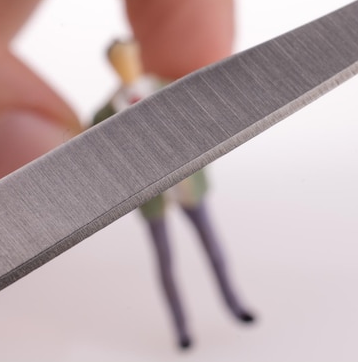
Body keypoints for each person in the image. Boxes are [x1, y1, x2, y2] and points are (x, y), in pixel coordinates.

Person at [0, 0, 234, 192]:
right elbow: (99, 128)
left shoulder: (158, 89)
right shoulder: (113, 107)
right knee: (160, 228)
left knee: (199, 219)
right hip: (146, 183)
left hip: (180, 178)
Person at [94, 38, 254, 349]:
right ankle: (181, 330)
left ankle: (235, 305)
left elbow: (199, 121)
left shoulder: (170, 87)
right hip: (151, 197)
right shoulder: (104, 113)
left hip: (188, 186)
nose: (126, 65)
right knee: (166, 263)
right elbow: (100, 157)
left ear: (139, 56)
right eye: (119, 60)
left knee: (214, 249)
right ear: (112, 67)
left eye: (129, 57)